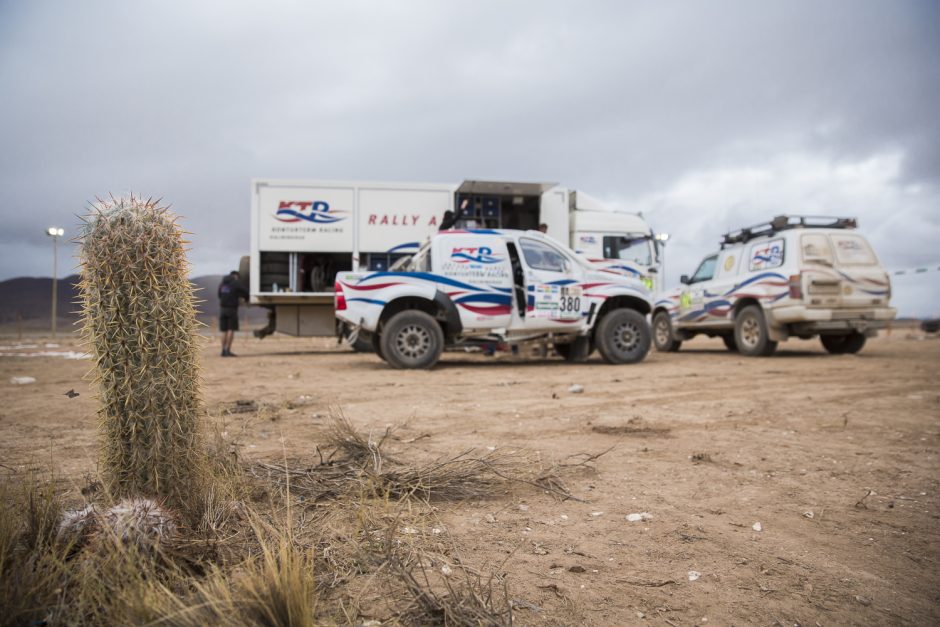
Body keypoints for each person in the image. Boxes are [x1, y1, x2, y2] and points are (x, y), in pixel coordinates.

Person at [218, 270, 249, 357]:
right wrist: (245, 298)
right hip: (232, 309)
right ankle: (228, 350)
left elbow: (219, 295)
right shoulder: (235, 283)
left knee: (224, 330)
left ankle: (223, 351)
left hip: (222, 309)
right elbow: (246, 291)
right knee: (231, 329)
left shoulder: (222, 284)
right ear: (236, 276)